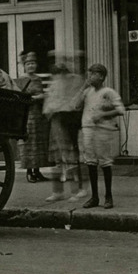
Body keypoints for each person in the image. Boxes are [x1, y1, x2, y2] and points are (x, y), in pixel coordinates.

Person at [77, 63, 125, 209]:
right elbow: (76, 105)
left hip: (103, 130)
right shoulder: (87, 92)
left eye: (92, 74)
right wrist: (83, 88)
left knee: (105, 163)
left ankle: (108, 196)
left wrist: (103, 114)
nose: (89, 77)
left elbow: (121, 109)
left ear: (101, 76)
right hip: (88, 130)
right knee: (90, 163)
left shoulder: (108, 92)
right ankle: (94, 197)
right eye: (89, 74)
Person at [43, 55, 87, 202]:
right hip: (57, 120)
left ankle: (78, 189)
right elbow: (48, 103)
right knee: (57, 158)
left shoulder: (76, 80)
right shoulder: (54, 83)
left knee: (72, 155)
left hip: (70, 120)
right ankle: (58, 191)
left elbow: (78, 100)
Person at [16, 51, 48, 183]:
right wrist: (32, 98)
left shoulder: (38, 79)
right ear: (24, 65)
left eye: (33, 63)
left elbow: (42, 94)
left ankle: (37, 171)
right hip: (27, 114)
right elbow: (19, 96)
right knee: (28, 142)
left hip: (38, 113)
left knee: (38, 143)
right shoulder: (21, 79)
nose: (31, 66)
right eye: (28, 64)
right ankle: (29, 172)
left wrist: (40, 97)